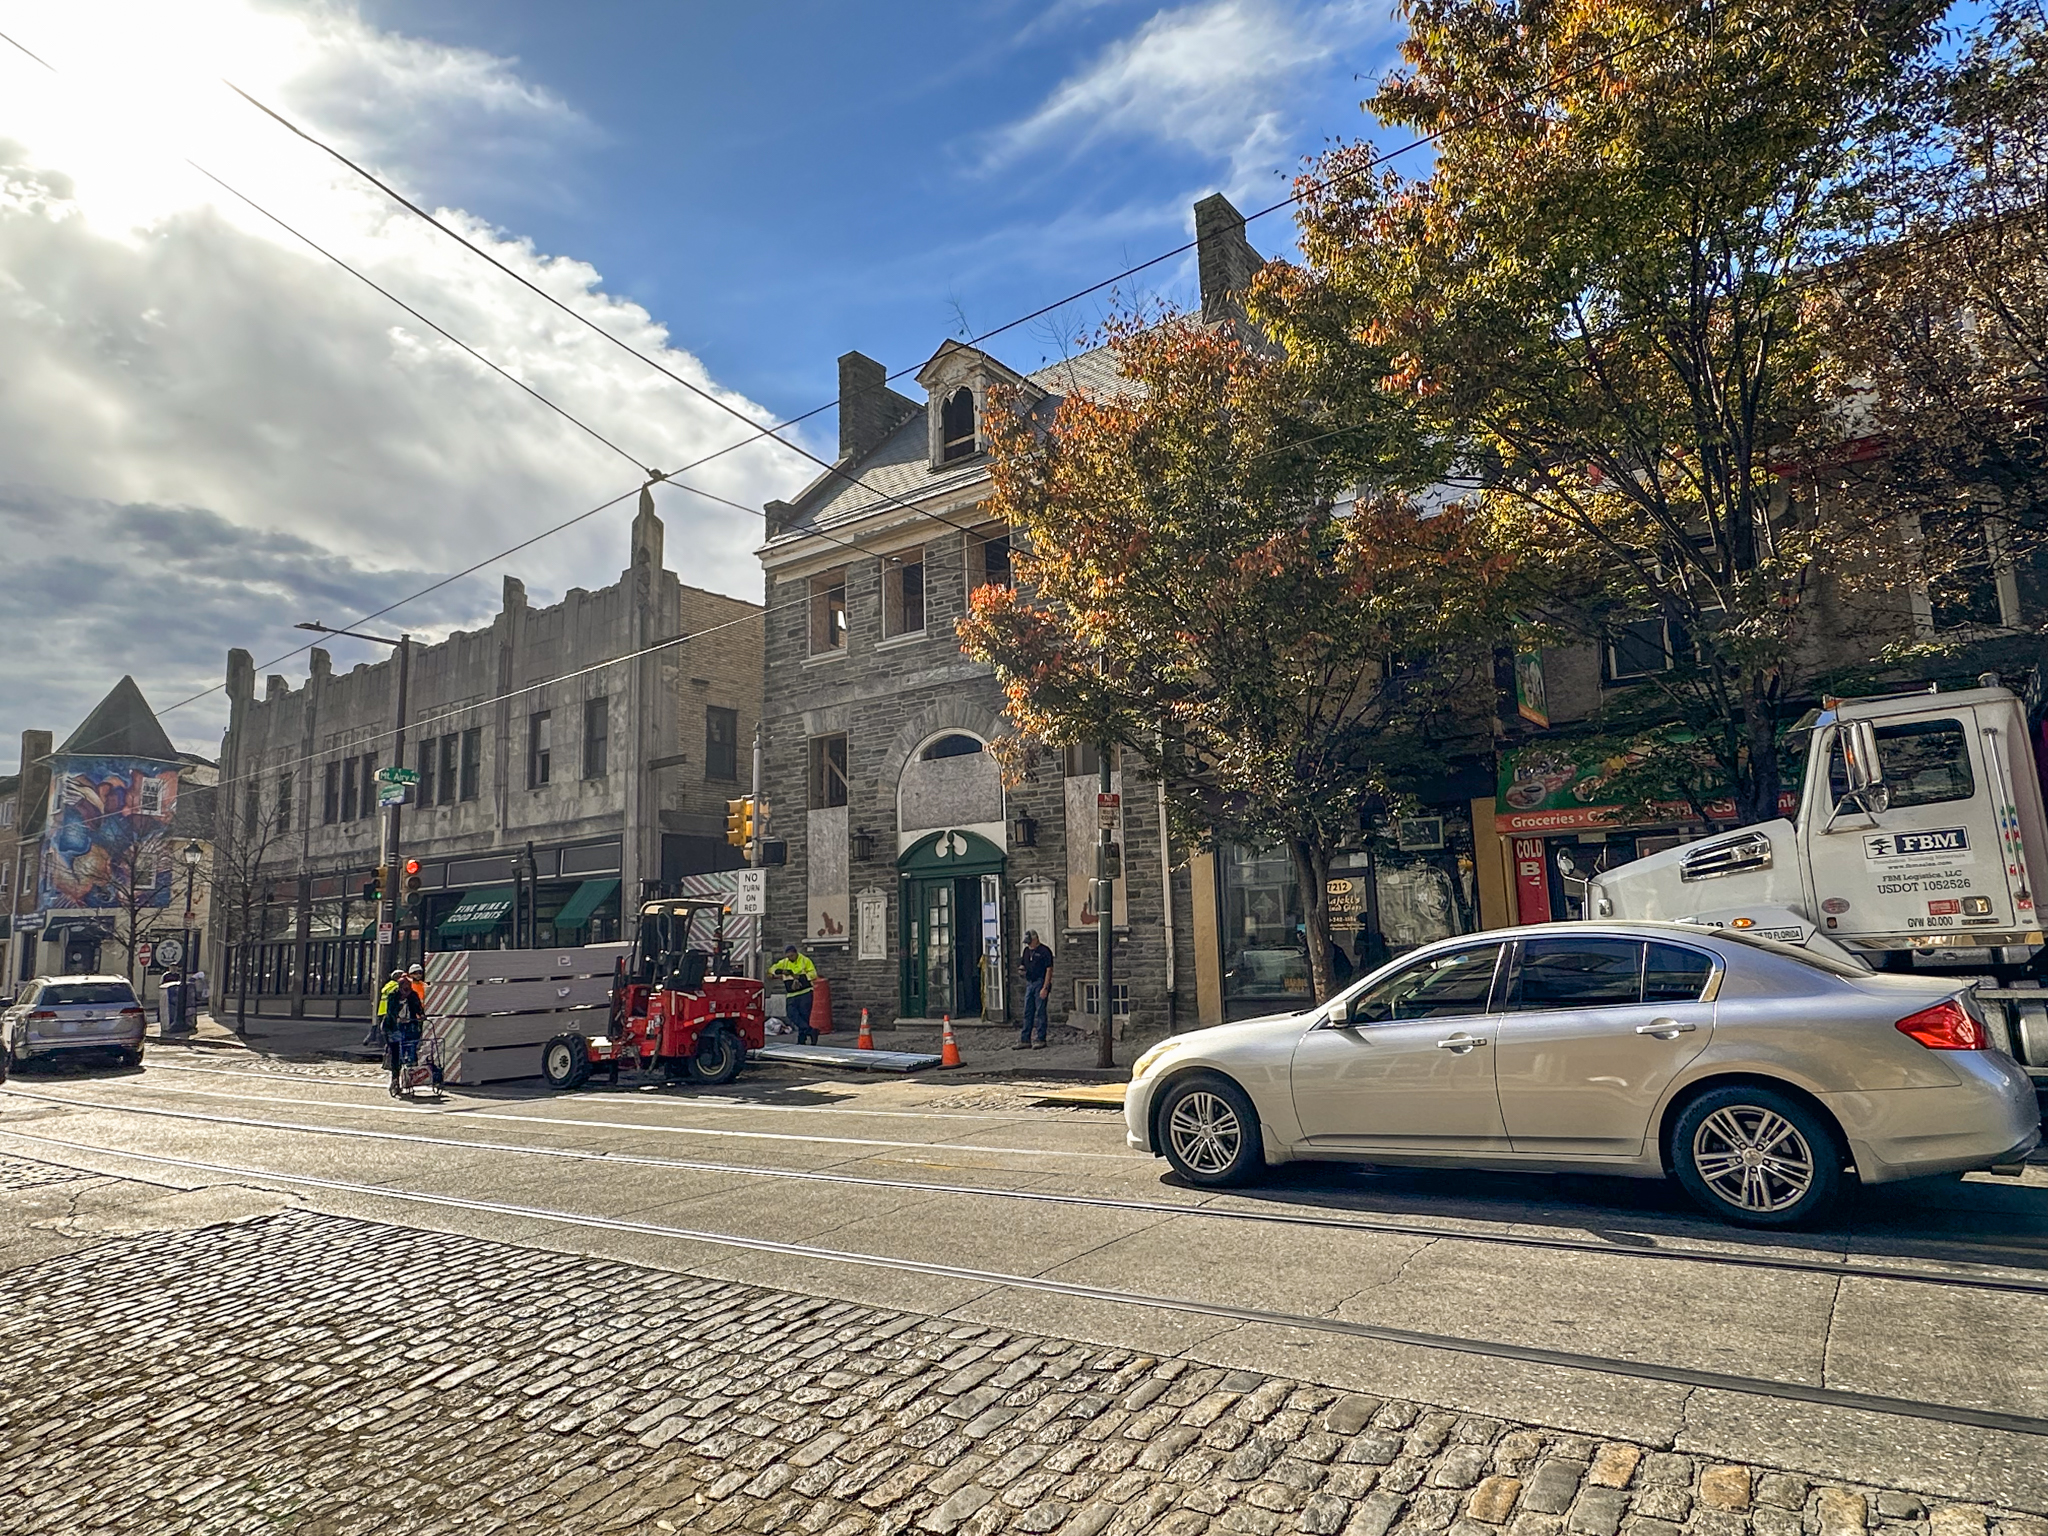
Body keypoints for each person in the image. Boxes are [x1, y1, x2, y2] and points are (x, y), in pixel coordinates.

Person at [385, 967, 426, 1096]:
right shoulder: (393, 996)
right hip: (395, 1027)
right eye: (404, 988)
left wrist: (421, 1015)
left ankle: (410, 1077)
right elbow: (390, 1012)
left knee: (411, 1050)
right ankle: (395, 1079)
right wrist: (397, 1018)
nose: (406, 990)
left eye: (408, 987)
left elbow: (418, 1007)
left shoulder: (412, 995)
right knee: (397, 1054)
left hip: (409, 1025)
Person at [770, 943, 818, 1045]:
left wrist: (800, 977)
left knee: (804, 1016)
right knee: (791, 1014)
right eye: (788, 956)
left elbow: (813, 974)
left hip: (805, 992)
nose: (790, 958)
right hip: (791, 994)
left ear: (796, 953)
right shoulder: (784, 962)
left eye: (792, 956)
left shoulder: (805, 960)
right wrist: (781, 971)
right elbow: (772, 969)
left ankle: (801, 1041)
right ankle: (811, 1031)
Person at [1015, 930, 1054, 1050]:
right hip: (1030, 983)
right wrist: (1021, 970)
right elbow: (1023, 964)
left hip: (1040, 981)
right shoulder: (1026, 951)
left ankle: (1041, 1038)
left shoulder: (1044, 951)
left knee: (1041, 1012)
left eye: (1030, 942)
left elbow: (1049, 970)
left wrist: (1045, 987)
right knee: (1028, 1012)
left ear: (1036, 939)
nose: (1029, 945)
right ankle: (1025, 1039)